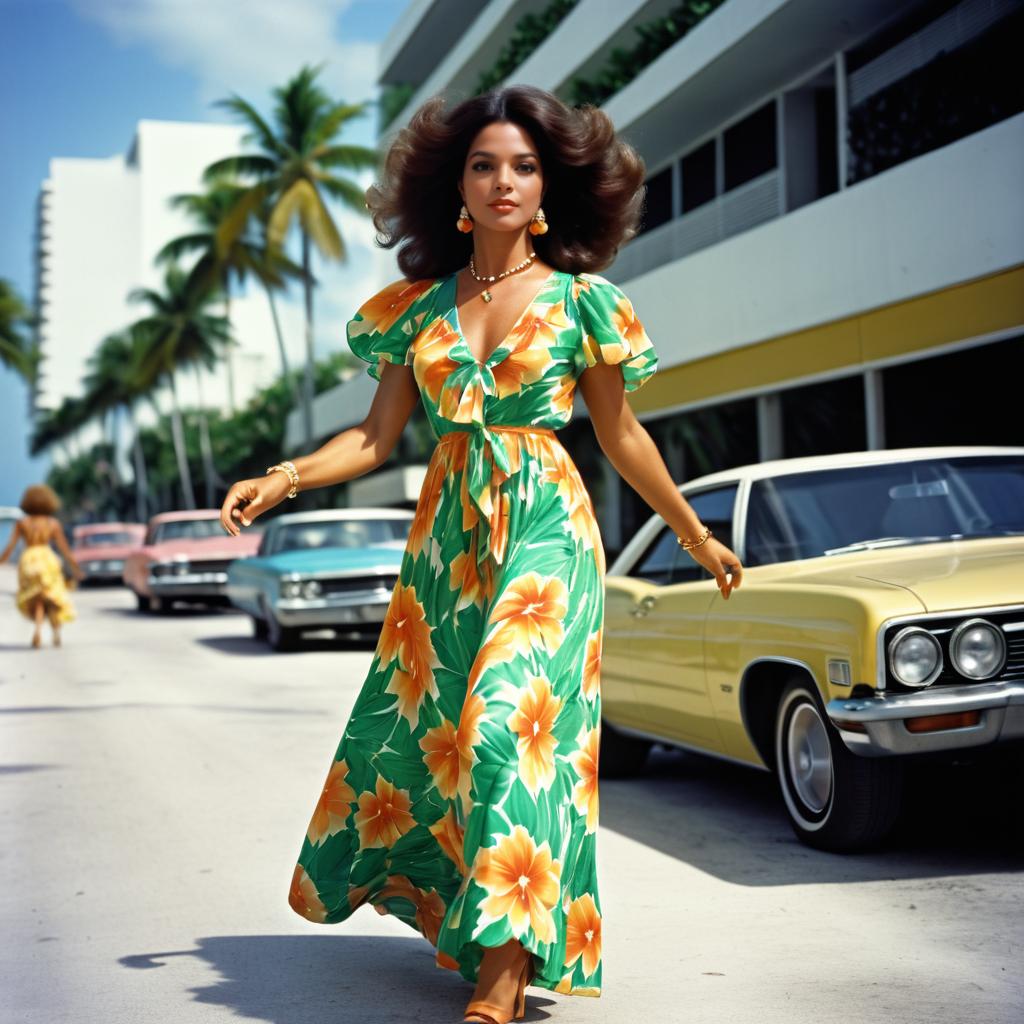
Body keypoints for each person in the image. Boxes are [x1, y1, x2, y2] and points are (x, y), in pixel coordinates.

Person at [219, 84, 744, 1024]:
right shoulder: (414, 310)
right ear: (457, 185)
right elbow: (376, 440)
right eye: (486, 164)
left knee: (512, 726)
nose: (506, 181)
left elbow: (623, 438)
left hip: (547, 524)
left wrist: (694, 532)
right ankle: (481, 926)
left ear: (551, 189)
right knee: (447, 746)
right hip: (448, 546)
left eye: (526, 166)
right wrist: (287, 476)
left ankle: (500, 986)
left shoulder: (586, 302)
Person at [0, 484, 84, 648]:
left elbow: (10, 546)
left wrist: (1, 562)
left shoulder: (22, 523)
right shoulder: (52, 524)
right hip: (47, 559)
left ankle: (38, 628)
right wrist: (75, 568)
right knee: (53, 596)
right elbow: (64, 549)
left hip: (29, 560)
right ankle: (56, 631)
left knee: (37, 598)